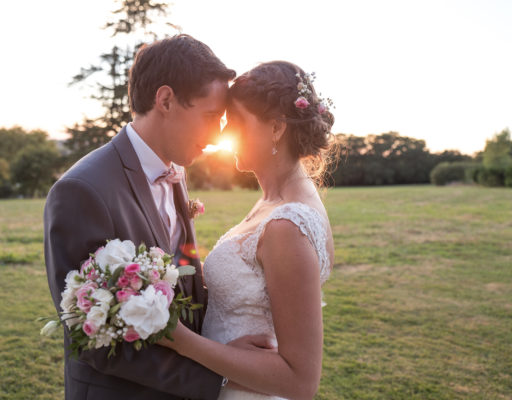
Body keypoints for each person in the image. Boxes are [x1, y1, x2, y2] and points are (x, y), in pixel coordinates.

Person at [44, 34, 271, 400]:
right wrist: (219, 381)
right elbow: (92, 338)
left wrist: (226, 351)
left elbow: (182, 288)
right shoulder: (82, 191)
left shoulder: (175, 170)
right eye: (211, 116)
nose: (217, 135)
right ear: (165, 100)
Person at [159, 61, 336, 399]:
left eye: (235, 122)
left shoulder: (287, 224)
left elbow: (300, 382)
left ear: (276, 128)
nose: (223, 135)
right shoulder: (274, 201)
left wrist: (182, 342)